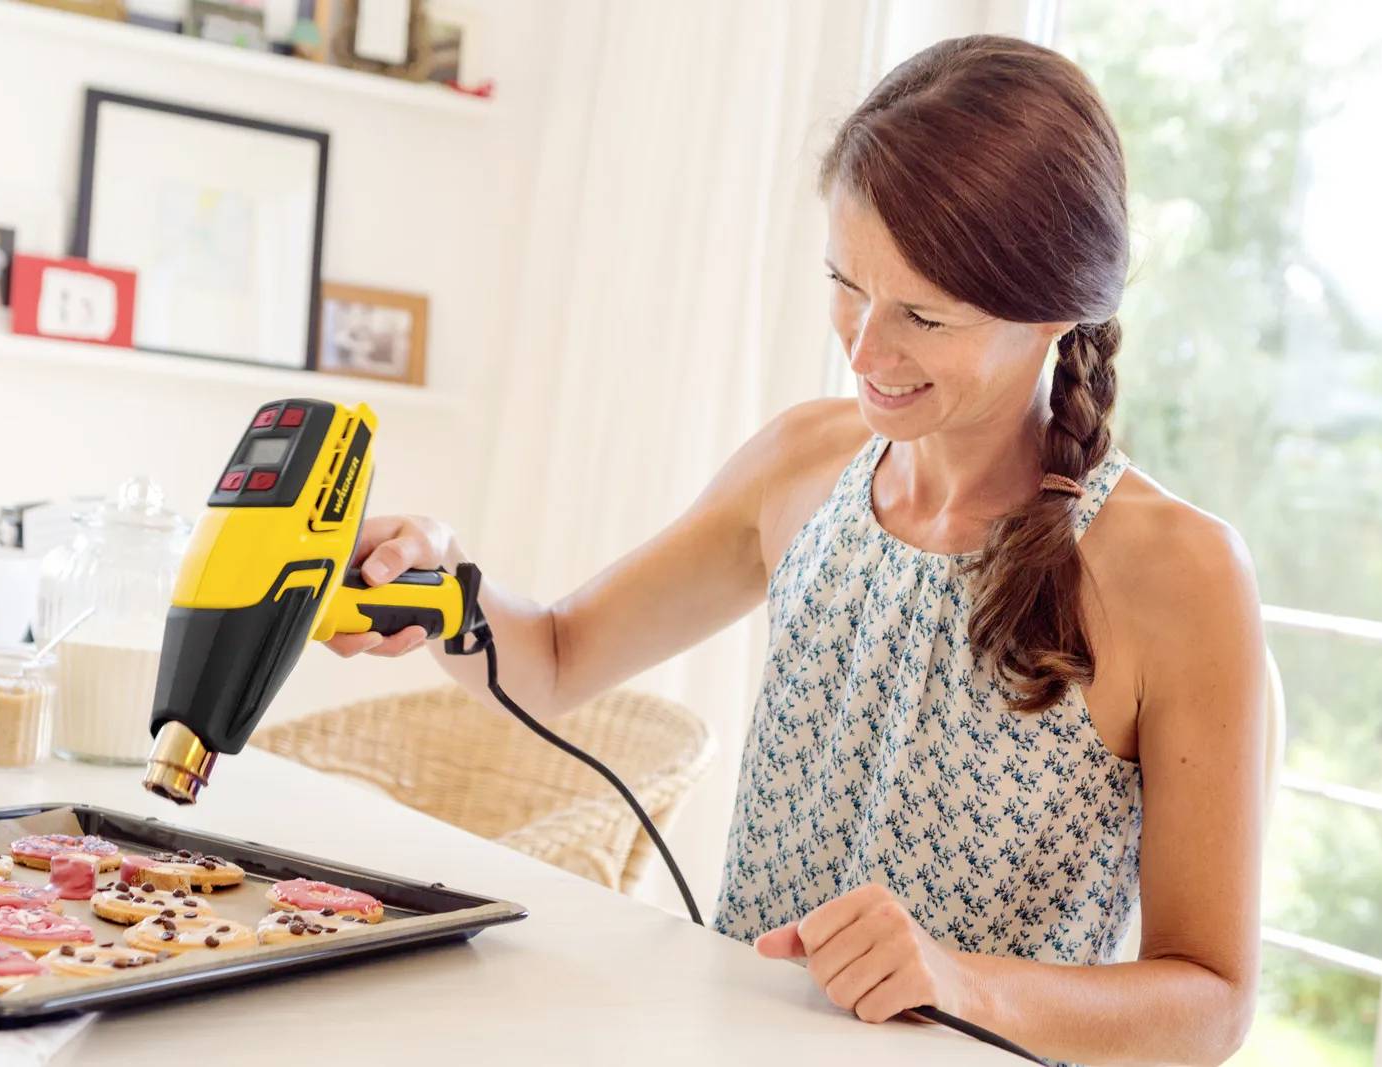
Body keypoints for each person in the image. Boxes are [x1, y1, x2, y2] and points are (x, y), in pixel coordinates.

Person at [327, 35, 1264, 1067]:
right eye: (846, 284)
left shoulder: (1178, 574)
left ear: (1060, 310)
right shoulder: (804, 465)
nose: (864, 350)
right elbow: (553, 656)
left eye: (922, 314)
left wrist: (958, 979)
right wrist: (439, 587)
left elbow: (1208, 1003)